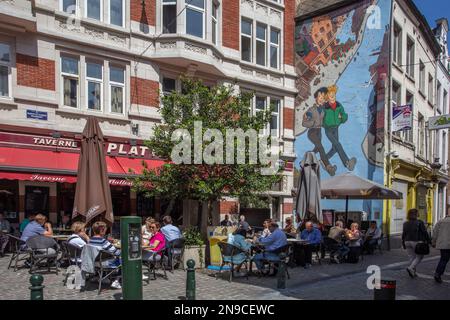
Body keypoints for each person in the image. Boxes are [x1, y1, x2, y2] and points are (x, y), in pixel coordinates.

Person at [302, 87, 336, 176]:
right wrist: (312, 122)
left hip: (319, 131)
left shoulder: (323, 110)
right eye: (320, 96)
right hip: (312, 132)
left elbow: (327, 119)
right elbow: (304, 123)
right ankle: (328, 166)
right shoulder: (311, 110)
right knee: (321, 147)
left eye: (323, 97)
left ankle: (307, 157)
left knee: (317, 148)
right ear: (316, 97)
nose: (321, 99)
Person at [323, 85, 356, 171]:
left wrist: (342, 118)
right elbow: (321, 118)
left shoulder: (338, 105)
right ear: (327, 97)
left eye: (334, 94)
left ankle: (323, 160)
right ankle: (347, 162)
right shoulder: (325, 107)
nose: (333, 96)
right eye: (331, 95)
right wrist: (325, 124)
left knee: (334, 148)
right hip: (328, 130)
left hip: (336, 128)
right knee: (338, 144)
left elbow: (344, 115)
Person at [89, 221, 121, 289]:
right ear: (102, 231)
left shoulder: (90, 240)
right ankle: (116, 281)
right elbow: (116, 252)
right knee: (123, 260)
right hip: (102, 263)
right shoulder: (103, 241)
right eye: (105, 229)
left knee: (107, 257)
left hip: (93, 263)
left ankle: (100, 276)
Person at [402, 208, 431, 278]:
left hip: (407, 241)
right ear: (416, 214)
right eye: (417, 213)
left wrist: (403, 243)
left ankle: (413, 273)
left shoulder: (405, 223)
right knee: (420, 257)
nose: (418, 214)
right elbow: (424, 232)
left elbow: (404, 234)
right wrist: (429, 240)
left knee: (412, 257)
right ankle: (410, 268)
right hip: (416, 241)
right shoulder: (419, 222)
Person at [431, 212, 450, 283]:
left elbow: (435, 232)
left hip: (443, 245)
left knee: (443, 260)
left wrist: (433, 242)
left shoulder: (440, 221)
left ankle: (438, 273)